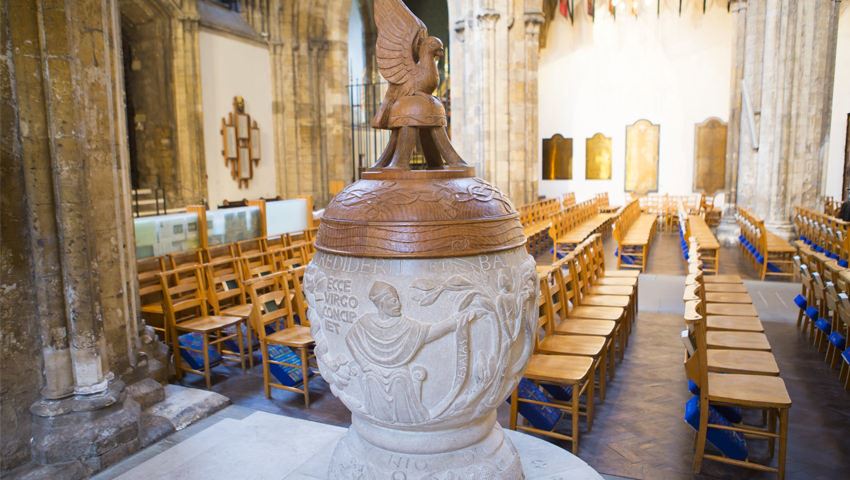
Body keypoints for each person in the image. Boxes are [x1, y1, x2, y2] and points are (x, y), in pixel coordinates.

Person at [345, 281, 473, 424]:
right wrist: (364, 364)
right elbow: (350, 339)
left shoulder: (404, 325)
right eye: (393, 300)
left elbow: (428, 333)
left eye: (398, 300)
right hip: (374, 373)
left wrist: (453, 322)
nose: (398, 304)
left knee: (399, 381)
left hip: (398, 373)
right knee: (374, 383)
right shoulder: (366, 322)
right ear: (381, 303)